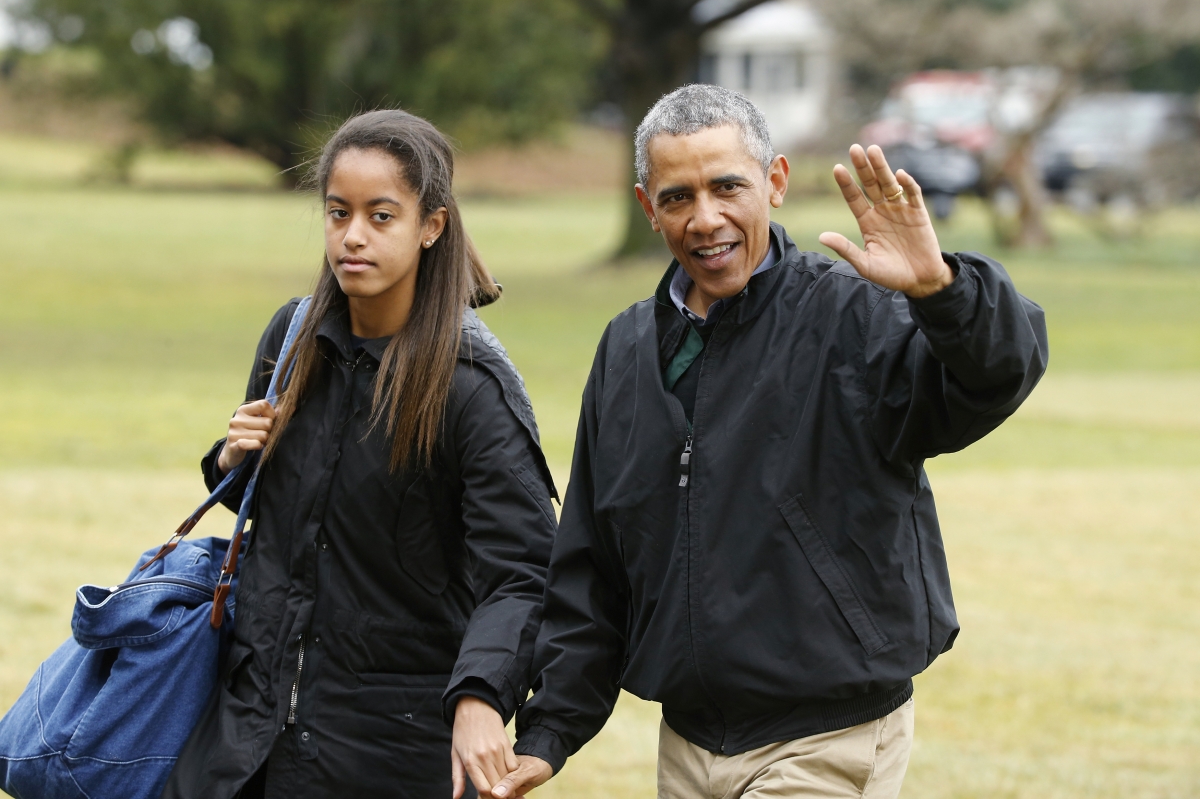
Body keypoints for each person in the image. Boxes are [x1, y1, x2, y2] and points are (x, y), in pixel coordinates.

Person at [493, 84, 1049, 799]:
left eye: (728, 187)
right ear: (647, 208)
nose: (705, 218)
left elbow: (1000, 371)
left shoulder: (858, 316)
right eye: (677, 197)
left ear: (776, 181)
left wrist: (940, 291)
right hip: (689, 744)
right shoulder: (627, 349)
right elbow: (592, 566)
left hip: (830, 738)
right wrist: (548, 734)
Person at [161, 109, 558, 799]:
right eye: (337, 212)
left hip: (390, 751)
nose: (352, 236)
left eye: (381, 217)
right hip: (245, 739)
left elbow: (525, 572)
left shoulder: (470, 385)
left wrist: (480, 694)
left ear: (431, 225)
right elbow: (278, 511)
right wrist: (229, 461)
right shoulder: (292, 337)